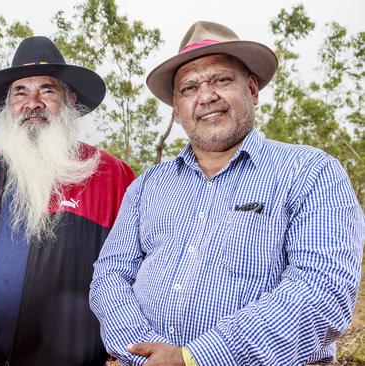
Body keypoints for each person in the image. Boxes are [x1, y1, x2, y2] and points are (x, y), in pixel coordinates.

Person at [90, 20, 365, 365]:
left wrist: (193, 358)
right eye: (189, 88)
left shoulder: (311, 172)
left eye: (221, 79)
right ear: (177, 110)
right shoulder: (146, 186)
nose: (206, 96)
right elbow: (111, 274)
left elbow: (322, 291)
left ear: (252, 90)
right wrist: (145, 352)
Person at [0, 36, 135, 365]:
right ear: (8, 105)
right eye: (21, 91)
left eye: (47, 90)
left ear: (70, 99)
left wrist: (115, 334)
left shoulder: (111, 177)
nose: (33, 102)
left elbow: (137, 268)